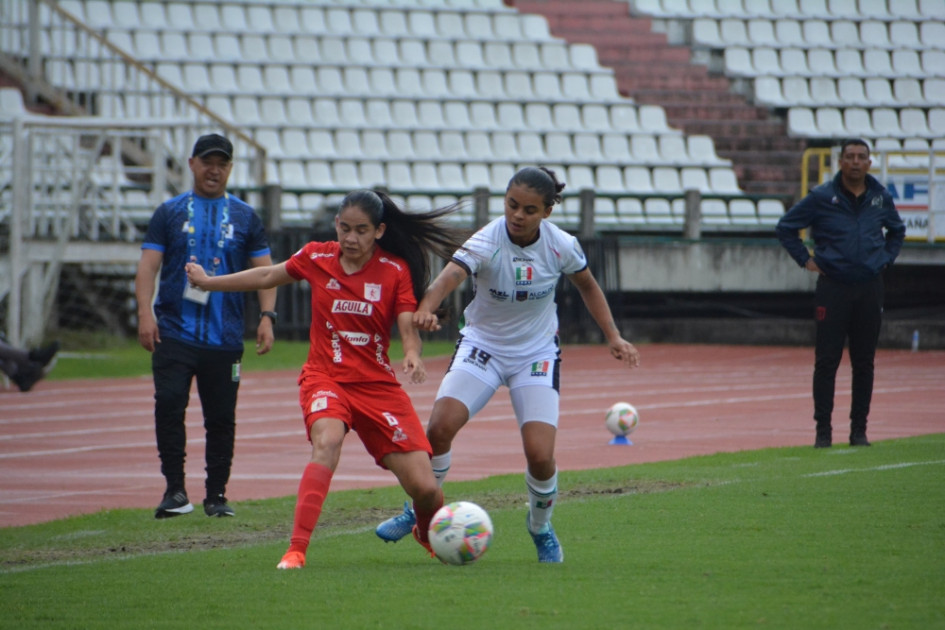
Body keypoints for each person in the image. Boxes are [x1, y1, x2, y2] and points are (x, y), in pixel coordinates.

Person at [185, 189, 469, 569]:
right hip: (326, 378)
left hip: (377, 386)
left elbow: (406, 325)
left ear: (380, 231)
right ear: (336, 224)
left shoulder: (394, 270)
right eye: (345, 228)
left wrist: (414, 355)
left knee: (425, 488)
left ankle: (425, 529)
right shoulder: (316, 256)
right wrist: (208, 281)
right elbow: (269, 273)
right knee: (327, 441)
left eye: (361, 230)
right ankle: (296, 549)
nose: (351, 238)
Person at [375, 166, 641, 563]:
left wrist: (613, 336)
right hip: (482, 347)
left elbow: (587, 284)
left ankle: (539, 527)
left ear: (547, 212)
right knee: (439, 428)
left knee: (539, 455)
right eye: (512, 204)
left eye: (529, 209)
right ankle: (417, 510)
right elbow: (447, 279)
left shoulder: (561, 245)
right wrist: (427, 310)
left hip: (535, 355)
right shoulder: (488, 239)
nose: (517, 215)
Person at [135, 133, 277, 519]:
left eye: (222, 163)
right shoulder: (170, 212)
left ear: (230, 169)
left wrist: (267, 317)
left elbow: (265, 271)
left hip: (225, 337)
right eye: (208, 162)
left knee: (220, 417)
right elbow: (148, 265)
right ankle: (175, 491)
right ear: (192, 163)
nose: (214, 170)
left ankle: (216, 496)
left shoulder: (247, 217)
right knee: (168, 405)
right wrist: (145, 313)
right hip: (174, 331)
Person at [776, 138, 905, 448]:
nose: (856, 162)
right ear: (841, 162)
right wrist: (805, 260)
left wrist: (885, 259)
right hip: (833, 288)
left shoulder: (879, 197)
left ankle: (859, 430)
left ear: (869, 162)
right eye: (850, 157)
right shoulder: (822, 197)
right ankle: (823, 431)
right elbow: (786, 227)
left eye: (862, 156)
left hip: (869, 287)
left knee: (864, 362)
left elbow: (897, 231)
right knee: (827, 361)